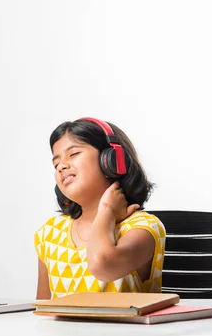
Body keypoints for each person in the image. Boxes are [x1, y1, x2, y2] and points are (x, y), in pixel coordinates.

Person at [34, 117, 166, 300]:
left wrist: (106, 211)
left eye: (73, 154)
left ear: (111, 160)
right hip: (63, 330)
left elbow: (102, 265)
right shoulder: (49, 233)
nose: (62, 166)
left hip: (125, 330)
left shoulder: (143, 228)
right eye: (56, 164)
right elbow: (43, 309)